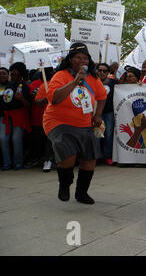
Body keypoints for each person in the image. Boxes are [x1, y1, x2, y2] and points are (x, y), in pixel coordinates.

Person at [43, 43, 107, 204]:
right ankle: (65, 184)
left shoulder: (93, 77)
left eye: (85, 58)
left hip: (84, 123)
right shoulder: (60, 75)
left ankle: (81, 193)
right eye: (78, 57)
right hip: (58, 122)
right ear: (70, 59)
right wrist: (76, 81)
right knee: (68, 154)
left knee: (90, 158)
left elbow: (102, 96)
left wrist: (98, 115)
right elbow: (55, 99)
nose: (82, 60)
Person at [0, 62, 32, 171]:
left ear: (21, 73)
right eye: (12, 72)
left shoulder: (25, 86)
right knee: (3, 139)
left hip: (19, 116)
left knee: (16, 139)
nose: (13, 74)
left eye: (15, 72)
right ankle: (6, 163)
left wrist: (22, 99)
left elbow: (29, 104)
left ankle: (18, 163)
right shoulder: (9, 85)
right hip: (7, 116)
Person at [26, 67, 55, 171]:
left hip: (63, 117)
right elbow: (37, 102)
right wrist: (46, 99)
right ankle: (48, 161)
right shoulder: (45, 86)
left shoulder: (61, 84)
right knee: (49, 140)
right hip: (50, 117)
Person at [96, 63, 117, 166]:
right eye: (100, 70)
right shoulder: (92, 82)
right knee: (96, 135)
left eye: (105, 71)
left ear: (108, 73)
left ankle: (107, 156)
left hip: (109, 113)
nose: (102, 72)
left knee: (108, 134)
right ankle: (96, 156)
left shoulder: (113, 83)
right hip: (96, 113)